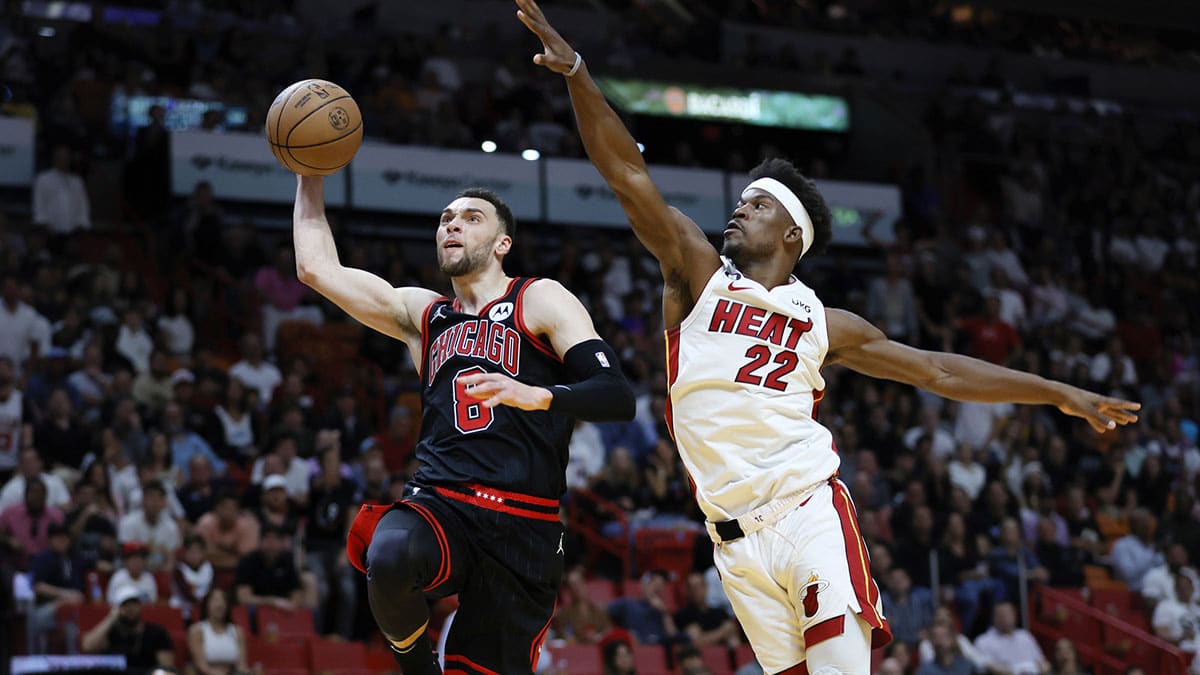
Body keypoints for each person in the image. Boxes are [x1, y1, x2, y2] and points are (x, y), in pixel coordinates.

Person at [515, 2, 1141, 672]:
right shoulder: (697, 273)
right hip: (732, 542)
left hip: (808, 510)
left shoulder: (824, 321)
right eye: (743, 199)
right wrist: (579, 73)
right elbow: (627, 175)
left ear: (791, 236)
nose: (739, 207)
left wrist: (1053, 391)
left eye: (758, 204)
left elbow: (939, 371)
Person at [293, 162, 635, 673]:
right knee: (388, 555)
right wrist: (309, 174)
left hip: (525, 523)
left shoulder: (537, 297)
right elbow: (318, 270)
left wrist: (535, 394)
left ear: (502, 244)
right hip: (442, 500)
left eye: (471, 218)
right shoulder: (424, 315)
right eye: (446, 218)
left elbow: (614, 395)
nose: (452, 224)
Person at [82, 584, 175, 674]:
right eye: (125, 605)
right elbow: (87, 646)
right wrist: (111, 618)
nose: (130, 609)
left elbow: (167, 669)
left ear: (140, 606)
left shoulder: (156, 633)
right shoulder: (110, 633)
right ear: (117, 609)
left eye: (134, 604)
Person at [187, 587, 250, 675]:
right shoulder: (197, 630)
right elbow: (202, 666)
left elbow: (241, 665)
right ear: (207, 604)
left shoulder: (237, 631)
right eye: (215, 600)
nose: (220, 605)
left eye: (223, 601)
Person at [973, 602, 1049, 674]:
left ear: (1014, 615)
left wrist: (1042, 669)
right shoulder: (983, 641)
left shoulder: (1025, 635)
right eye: (1002, 615)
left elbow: (1043, 662)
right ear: (994, 617)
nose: (1006, 618)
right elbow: (986, 667)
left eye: (1009, 614)